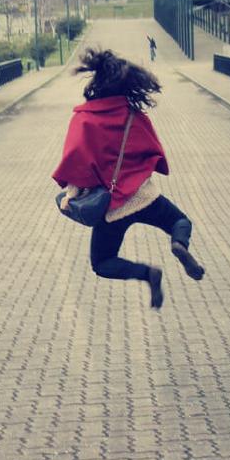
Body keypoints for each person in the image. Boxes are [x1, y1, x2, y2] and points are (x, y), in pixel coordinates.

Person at [53, 48, 204, 310]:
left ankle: (148, 274)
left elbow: (77, 162)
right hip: (145, 197)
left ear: (96, 84)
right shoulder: (134, 116)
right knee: (179, 221)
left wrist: (71, 195)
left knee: (102, 262)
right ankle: (179, 244)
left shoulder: (84, 120)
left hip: (111, 208)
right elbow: (151, 150)